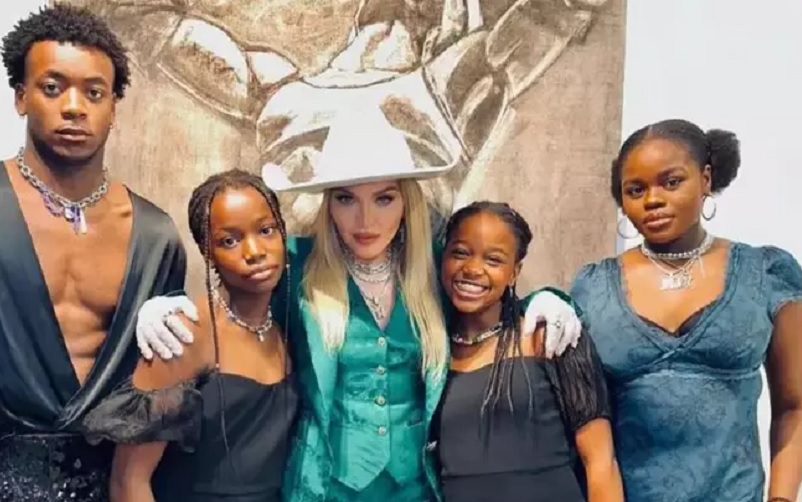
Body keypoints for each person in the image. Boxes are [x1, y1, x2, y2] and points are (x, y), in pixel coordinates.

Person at [134, 104, 582, 501]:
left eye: (384, 198)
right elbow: (232, 293)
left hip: (416, 487)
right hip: (324, 484)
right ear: (328, 205)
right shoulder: (295, 265)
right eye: (347, 199)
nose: (366, 220)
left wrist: (547, 300)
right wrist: (166, 306)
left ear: (406, 202)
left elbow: (490, 293)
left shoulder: (434, 266)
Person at [0, 5, 186, 501]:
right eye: (52, 87)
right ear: (20, 96)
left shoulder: (155, 238)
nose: (74, 107)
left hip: (111, 485)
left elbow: (159, 389)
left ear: (114, 108)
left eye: (94, 92)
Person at [570, 119, 802, 502]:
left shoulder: (765, 274)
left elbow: (794, 406)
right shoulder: (593, 288)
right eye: (636, 189)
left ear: (705, 179)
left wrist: (781, 499)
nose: (653, 200)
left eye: (671, 182)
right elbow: (584, 422)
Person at [81, 170, 297, 502]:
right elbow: (128, 482)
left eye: (266, 230)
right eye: (229, 241)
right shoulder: (183, 334)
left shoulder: (289, 322)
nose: (254, 251)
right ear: (207, 251)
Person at [435, 201, 623, 502]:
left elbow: (601, 463)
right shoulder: (431, 354)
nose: (472, 269)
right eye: (460, 253)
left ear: (514, 272)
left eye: (493, 259)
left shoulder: (550, 337)